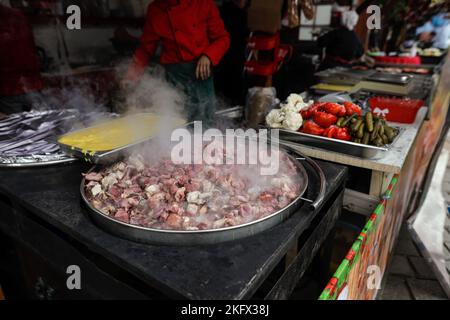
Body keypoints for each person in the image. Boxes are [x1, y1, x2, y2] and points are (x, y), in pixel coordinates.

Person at [124, 0, 230, 125]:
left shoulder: (203, 3)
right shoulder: (155, 9)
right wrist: (131, 76)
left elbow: (222, 38)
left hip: (200, 74)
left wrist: (208, 56)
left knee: (203, 124)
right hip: (174, 76)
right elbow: (145, 49)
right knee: (175, 121)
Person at [0, 4, 43, 115]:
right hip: (31, 84)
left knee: (20, 129)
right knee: (43, 126)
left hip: (8, 88)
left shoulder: (15, 16)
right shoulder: (18, 14)